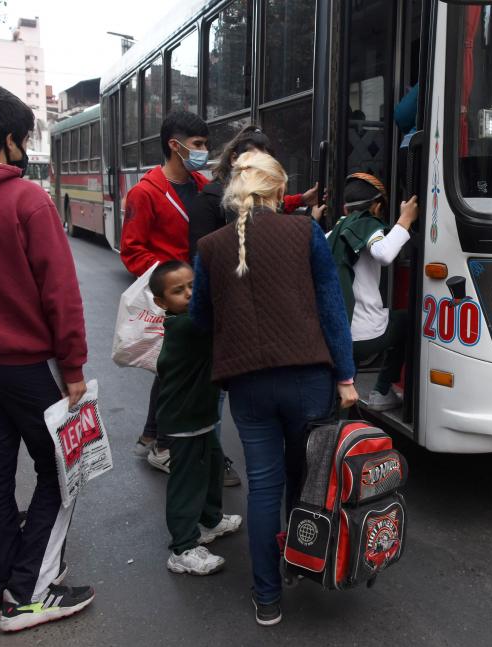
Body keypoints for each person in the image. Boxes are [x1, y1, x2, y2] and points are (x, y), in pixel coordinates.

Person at [190, 151, 358, 626]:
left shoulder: (210, 247)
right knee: (304, 479)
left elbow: (202, 317)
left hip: (246, 385)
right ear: (277, 191)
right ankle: (299, 564)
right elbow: (331, 310)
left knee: (263, 486)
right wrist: (345, 377)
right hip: (308, 380)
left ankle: (267, 599)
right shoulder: (304, 232)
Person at [0, 84, 94, 631]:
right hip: (27, 367)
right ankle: (29, 593)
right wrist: (73, 370)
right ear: (9, 140)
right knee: (66, 469)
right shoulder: (27, 200)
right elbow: (60, 293)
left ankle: (6, 582)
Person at [118, 111, 237, 486]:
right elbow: (131, 251)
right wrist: (173, 279)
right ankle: (170, 447)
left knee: (174, 369)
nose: (204, 152)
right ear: (175, 144)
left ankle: (156, 437)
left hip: (199, 294)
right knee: (182, 369)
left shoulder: (204, 184)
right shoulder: (145, 192)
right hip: (173, 297)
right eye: (198, 145)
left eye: (205, 144)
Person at [148, 261, 242, 576]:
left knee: (213, 466)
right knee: (186, 483)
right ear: (161, 302)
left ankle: (210, 521)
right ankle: (183, 547)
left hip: (199, 416)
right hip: (184, 420)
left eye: (192, 285)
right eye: (178, 291)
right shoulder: (188, 326)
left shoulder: (188, 320)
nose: (189, 294)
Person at [327, 173, 418, 410]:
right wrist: (405, 220)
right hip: (365, 334)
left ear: (345, 207)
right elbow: (384, 254)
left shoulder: (333, 231)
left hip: (337, 334)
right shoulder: (367, 224)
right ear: (377, 206)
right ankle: (382, 391)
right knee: (408, 320)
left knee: (341, 402)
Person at [189, 125, 321, 250]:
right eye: (255, 160)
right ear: (234, 159)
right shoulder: (208, 201)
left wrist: (302, 200)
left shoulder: (263, 201)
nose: (261, 168)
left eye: (266, 162)